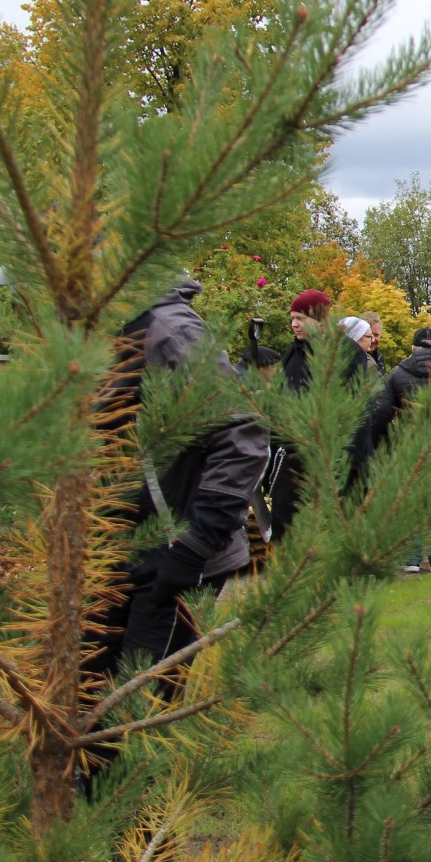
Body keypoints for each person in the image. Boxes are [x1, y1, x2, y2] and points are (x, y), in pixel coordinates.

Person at [93, 280, 270, 675]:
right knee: (86, 683)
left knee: (141, 690)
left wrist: (194, 545)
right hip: (110, 551)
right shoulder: (92, 334)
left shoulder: (167, 330)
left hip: (170, 553)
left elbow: (241, 434)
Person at [369, 326, 431, 573]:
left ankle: (410, 558)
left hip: (409, 444)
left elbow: (382, 413)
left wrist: (380, 441)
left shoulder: (398, 373)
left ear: (413, 347)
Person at [267, 288, 333, 541]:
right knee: (285, 523)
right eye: (292, 318)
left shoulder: (331, 355)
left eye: (301, 318)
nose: (294, 324)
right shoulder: (292, 355)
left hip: (319, 456)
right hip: (287, 453)